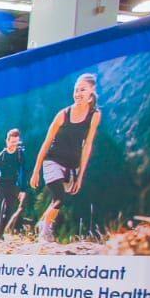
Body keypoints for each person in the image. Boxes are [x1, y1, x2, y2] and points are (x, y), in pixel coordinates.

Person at [30, 72, 101, 243]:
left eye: (82, 90)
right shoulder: (63, 114)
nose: (78, 94)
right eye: (76, 90)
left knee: (59, 199)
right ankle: (45, 232)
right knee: (59, 197)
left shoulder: (95, 115)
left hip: (72, 165)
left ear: (92, 90)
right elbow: (46, 143)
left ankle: (43, 224)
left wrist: (80, 176)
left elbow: (87, 146)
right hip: (52, 161)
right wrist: (36, 171)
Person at [0, 128, 27, 238]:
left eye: (16, 142)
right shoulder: (1, 156)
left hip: (13, 184)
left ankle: (0, 232)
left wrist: (23, 189)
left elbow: (22, 172)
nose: (14, 145)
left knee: (9, 211)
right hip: (1, 183)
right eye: (12, 142)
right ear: (7, 141)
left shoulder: (20, 155)